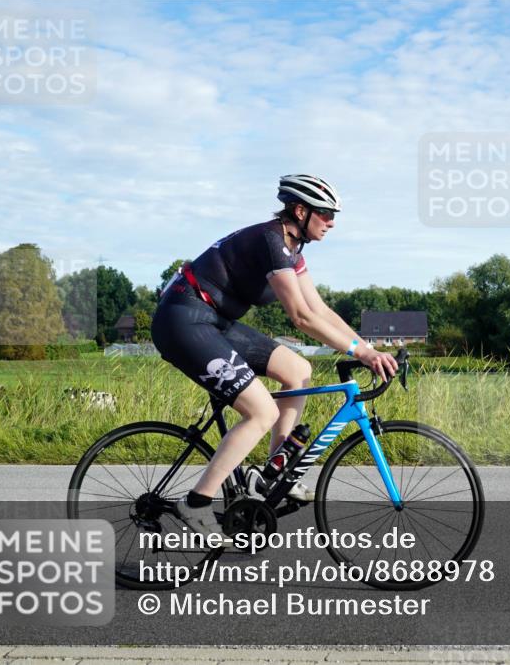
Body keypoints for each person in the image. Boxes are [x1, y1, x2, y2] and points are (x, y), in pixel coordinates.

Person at [151, 174, 398, 540]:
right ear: (301, 211)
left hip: (214, 320)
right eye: (327, 214)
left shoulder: (292, 250)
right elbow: (301, 317)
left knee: (298, 369)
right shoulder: (271, 241)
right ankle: (197, 503)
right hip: (183, 319)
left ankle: (273, 474)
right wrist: (358, 352)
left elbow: (320, 309)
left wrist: (367, 349)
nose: (332, 222)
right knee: (262, 411)